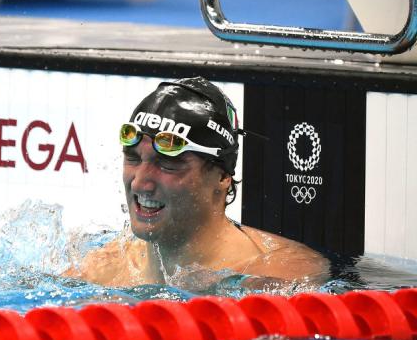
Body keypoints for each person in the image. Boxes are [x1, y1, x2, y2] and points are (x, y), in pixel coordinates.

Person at [65, 77, 328, 288]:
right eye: (133, 158)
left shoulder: (279, 276)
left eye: (167, 163)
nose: (140, 184)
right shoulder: (100, 268)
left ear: (223, 176)